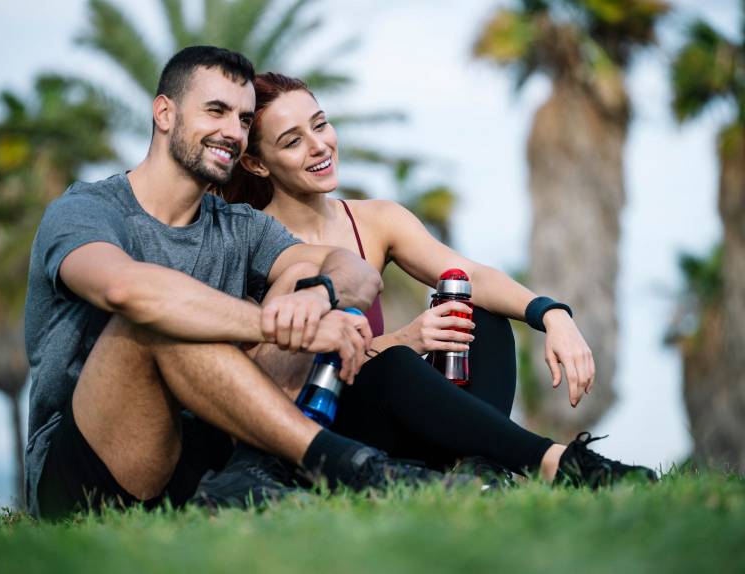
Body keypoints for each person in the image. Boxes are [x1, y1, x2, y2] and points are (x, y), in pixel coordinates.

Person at [24, 47, 455, 519]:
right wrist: (273, 326)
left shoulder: (240, 226)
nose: (233, 132)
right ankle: (349, 465)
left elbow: (355, 271)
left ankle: (260, 476)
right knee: (153, 320)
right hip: (88, 472)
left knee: (300, 276)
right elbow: (124, 290)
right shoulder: (86, 211)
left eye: (245, 119)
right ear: (164, 112)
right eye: (216, 111)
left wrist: (318, 295)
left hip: (206, 458)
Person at [205, 72, 656, 505]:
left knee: (480, 316)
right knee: (395, 363)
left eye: (320, 125)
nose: (319, 145)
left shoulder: (375, 220)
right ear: (256, 162)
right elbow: (260, 380)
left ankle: (480, 471)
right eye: (293, 141)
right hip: (322, 433)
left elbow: (470, 275)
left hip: (396, 425)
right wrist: (402, 340)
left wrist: (552, 315)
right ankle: (560, 463)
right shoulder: (251, 241)